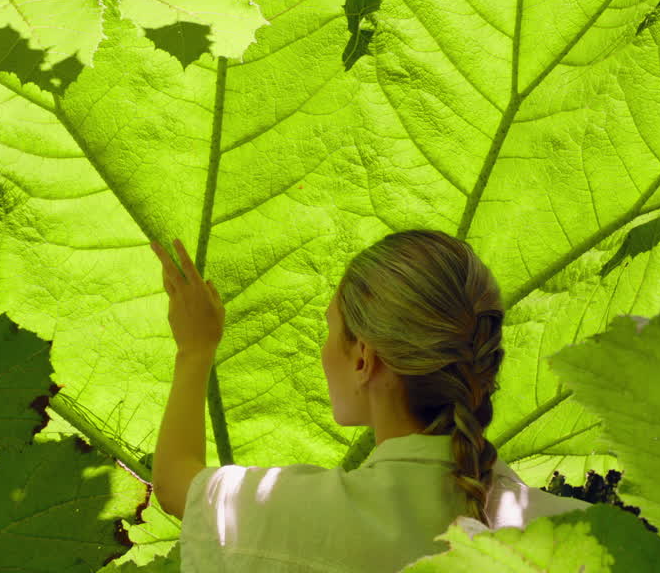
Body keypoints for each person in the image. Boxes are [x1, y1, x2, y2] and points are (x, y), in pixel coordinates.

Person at [177, 230, 590, 572]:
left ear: (362, 359)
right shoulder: (584, 541)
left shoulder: (305, 516)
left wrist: (195, 349)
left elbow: (178, 483)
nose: (323, 350)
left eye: (330, 328)